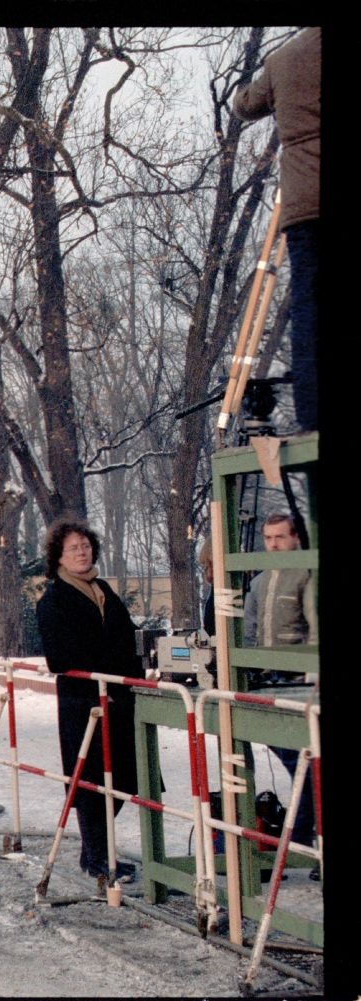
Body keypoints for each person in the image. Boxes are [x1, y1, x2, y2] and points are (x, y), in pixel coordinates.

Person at [35, 518, 143, 888]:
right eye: (73, 549)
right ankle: (97, 856)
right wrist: (104, 672)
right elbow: (59, 657)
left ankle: (94, 850)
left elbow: (126, 638)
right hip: (84, 704)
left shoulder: (104, 590)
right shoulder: (54, 601)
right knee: (92, 781)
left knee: (127, 777)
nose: (82, 553)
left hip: (119, 698)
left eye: (85, 546)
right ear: (59, 558)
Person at [233, 28, 320, 433]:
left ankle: (313, 412)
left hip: (304, 206)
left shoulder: (284, 58)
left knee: (309, 308)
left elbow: (244, 104)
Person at [242, 513, 317, 847]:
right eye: (268, 538)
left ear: (296, 539)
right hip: (267, 687)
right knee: (303, 767)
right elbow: (249, 632)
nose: (273, 544)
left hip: (302, 688)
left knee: (309, 768)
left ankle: (298, 840)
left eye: (280, 537)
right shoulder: (258, 583)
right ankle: (297, 840)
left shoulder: (306, 576)